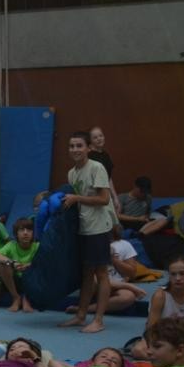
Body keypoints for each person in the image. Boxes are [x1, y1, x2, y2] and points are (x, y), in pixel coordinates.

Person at [59, 131, 116, 334]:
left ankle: (98, 320)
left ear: (88, 148)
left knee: (101, 273)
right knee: (86, 273)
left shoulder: (96, 167)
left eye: (79, 145)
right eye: (71, 146)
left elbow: (104, 199)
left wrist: (77, 198)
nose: (75, 149)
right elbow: (74, 200)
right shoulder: (71, 173)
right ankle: (81, 315)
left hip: (98, 227)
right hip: (83, 227)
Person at [0, 216, 38, 312]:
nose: (25, 233)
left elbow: (46, 261)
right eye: (22, 230)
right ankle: (16, 297)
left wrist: (29, 265)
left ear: (33, 233)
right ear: (16, 234)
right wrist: (12, 263)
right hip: (14, 281)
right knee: (2, 263)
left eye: (29, 230)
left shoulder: (37, 246)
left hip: (31, 281)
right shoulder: (11, 245)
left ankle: (27, 299)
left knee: (42, 266)